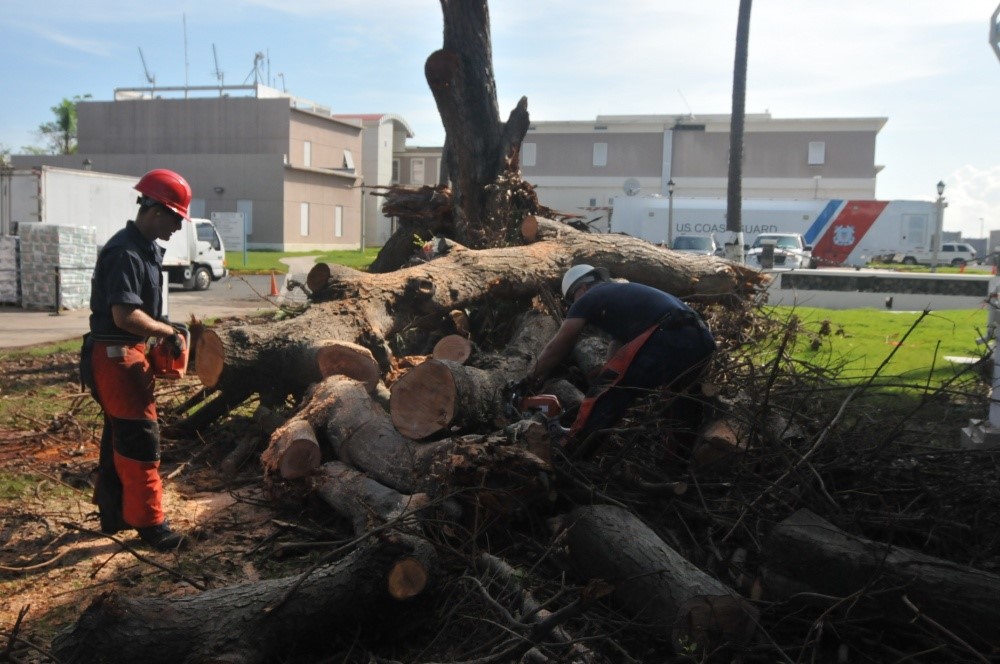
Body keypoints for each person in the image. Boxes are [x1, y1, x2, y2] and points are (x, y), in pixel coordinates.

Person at [82, 168, 192, 551]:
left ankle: (114, 514)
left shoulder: (142, 248)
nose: (179, 227)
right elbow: (124, 316)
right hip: (115, 357)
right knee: (140, 441)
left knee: (120, 437)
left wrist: (163, 326)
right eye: (176, 218)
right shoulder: (125, 252)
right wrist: (166, 332)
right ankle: (150, 524)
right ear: (156, 210)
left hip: (125, 355)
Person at [524, 264, 716, 457]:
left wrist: (530, 377)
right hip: (701, 339)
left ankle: (572, 451)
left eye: (572, 300)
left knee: (608, 393)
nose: (573, 305)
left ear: (581, 289)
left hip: (668, 335)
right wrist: (604, 372)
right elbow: (618, 350)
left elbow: (560, 344)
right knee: (681, 404)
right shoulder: (623, 297)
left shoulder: (591, 296)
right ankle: (679, 463)